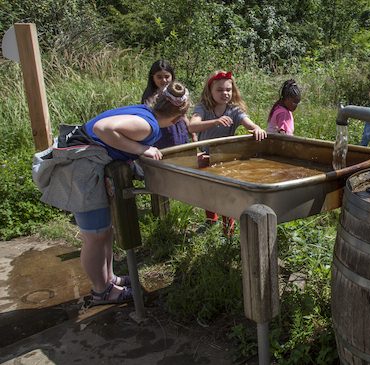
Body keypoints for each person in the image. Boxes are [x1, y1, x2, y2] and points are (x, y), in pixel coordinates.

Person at [32, 81, 191, 305]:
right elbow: (102, 129)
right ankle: (102, 291)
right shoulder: (150, 125)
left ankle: (108, 279)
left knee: (105, 232)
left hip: (85, 172)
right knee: (94, 237)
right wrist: (142, 149)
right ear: (176, 119)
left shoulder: (144, 111)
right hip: (81, 174)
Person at [188, 70, 267, 235]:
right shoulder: (204, 107)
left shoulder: (234, 110)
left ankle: (228, 230)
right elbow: (192, 126)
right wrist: (214, 122)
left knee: (226, 194)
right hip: (206, 158)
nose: (225, 93)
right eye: (219, 90)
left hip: (226, 159)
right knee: (207, 191)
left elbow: (250, 125)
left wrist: (257, 129)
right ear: (210, 91)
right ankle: (211, 220)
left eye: (228, 90)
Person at [141, 59, 197, 148]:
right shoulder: (150, 97)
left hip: (179, 131)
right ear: (152, 77)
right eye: (159, 77)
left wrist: (193, 135)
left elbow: (184, 115)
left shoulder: (177, 95)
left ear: (172, 76)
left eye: (167, 76)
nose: (163, 80)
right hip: (161, 135)